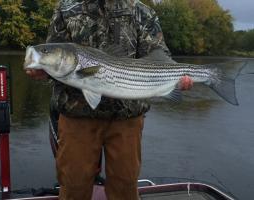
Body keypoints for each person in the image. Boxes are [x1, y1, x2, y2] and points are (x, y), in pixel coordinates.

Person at [26, 0, 193, 199]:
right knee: (73, 186)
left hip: (127, 118)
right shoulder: (66, 9)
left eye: (43, 51)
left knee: (125, 187)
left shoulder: (141, 11)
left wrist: (174, 80)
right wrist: (43, 71)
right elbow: (56, 58)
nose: (41, 52)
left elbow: (158, 56)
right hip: (76, 117)